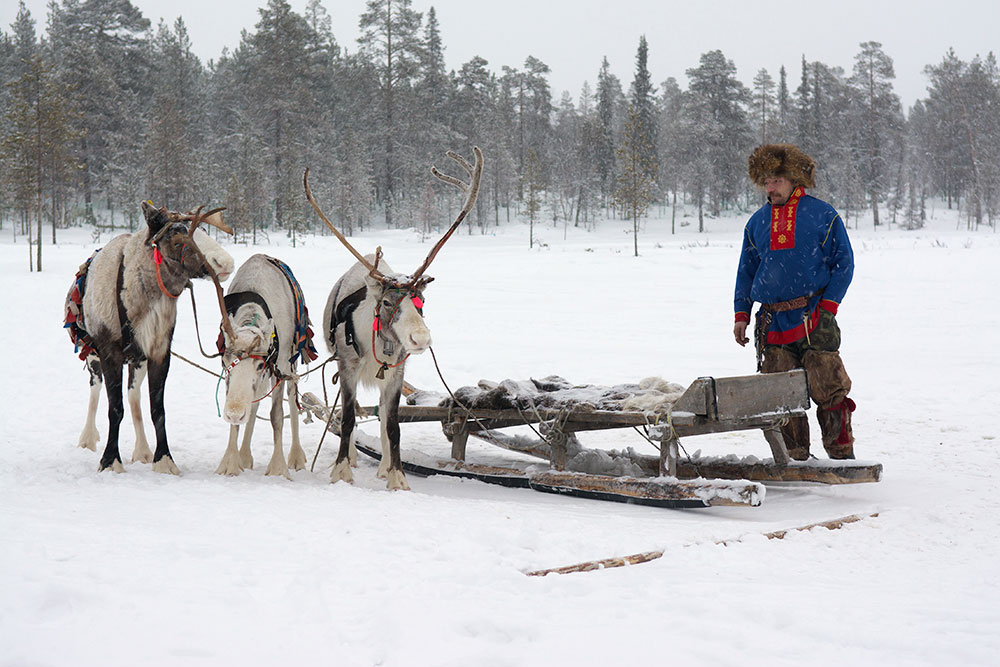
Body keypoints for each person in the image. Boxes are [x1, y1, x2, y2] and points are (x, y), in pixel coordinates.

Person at [733, 144, 856, 460]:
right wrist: (741, 314)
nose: (769, 188)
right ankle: (794, 460)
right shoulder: (757, 222)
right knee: (780, 395)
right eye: (766, 181)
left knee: (828, 387)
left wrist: (828, 307)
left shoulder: (821, 215)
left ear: (792, 179)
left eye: (775, 180)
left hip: (813, 316)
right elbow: (746, 272)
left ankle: (842, 457)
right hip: (773, 322)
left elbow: (844, 263)